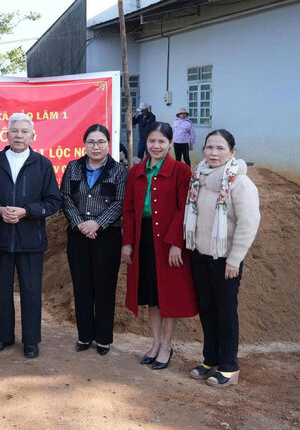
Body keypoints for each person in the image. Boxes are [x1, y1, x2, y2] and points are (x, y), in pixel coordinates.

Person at [0, 113, 61, 359]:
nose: (19, 135)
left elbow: (53, 202)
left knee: (31, 290)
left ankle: (31, 341)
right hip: (2, 237)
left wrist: (27, 211)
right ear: (7, 134)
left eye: (25, 131)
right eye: (15, 131)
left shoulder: (42, 164)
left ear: (33, 135)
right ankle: (4, 336)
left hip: (31, 239)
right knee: (3, 290)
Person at [185, 129, 260, 388]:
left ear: (232, 152)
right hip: (201, 255)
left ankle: (229, 366)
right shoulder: (199, 178)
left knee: (226, 311)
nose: (214, 153)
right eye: (209, 148)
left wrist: (234, 259)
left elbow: (248, 224)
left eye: (220, 148)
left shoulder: (239, 183)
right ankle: (210, 358)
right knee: (207, 309)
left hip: (225, 259)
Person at [121, 121, 197, 370]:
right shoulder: (135, 171)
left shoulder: (181, 171)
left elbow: (183, 209)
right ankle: (154, 343)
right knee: (152, 295)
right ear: (146, 142)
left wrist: (177, 243)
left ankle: (166, 345)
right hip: (144, 240)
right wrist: (128, 243)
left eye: (161, 142)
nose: (156, 146)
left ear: (170, 144)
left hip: (168, 243)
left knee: (169, 295)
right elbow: (130, 209)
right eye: (152, 141)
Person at [60, 124, 127, 356]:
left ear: (109, 144)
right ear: (85, 144)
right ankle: (84, 335)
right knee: (81, 285)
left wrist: (97, 223)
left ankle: (104, 339)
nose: (96, 147)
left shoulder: (119, 171)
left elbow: (120, 203)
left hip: (106, 237)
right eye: (91, 142)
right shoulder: (73, 167)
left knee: (104, 286)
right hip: (78, 235)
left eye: (101, 142)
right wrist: (80, 223)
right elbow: (66, 197)